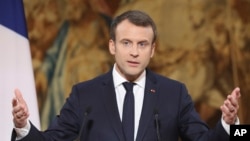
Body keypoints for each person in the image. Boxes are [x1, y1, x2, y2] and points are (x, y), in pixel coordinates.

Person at [11, 10, 241, 141]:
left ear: (152, 50)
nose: (134, 52)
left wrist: (228, 124)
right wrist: (23, 126)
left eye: (142, 44)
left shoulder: (174, 93)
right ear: (112, 46)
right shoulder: (85, 95)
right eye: (126, 43)